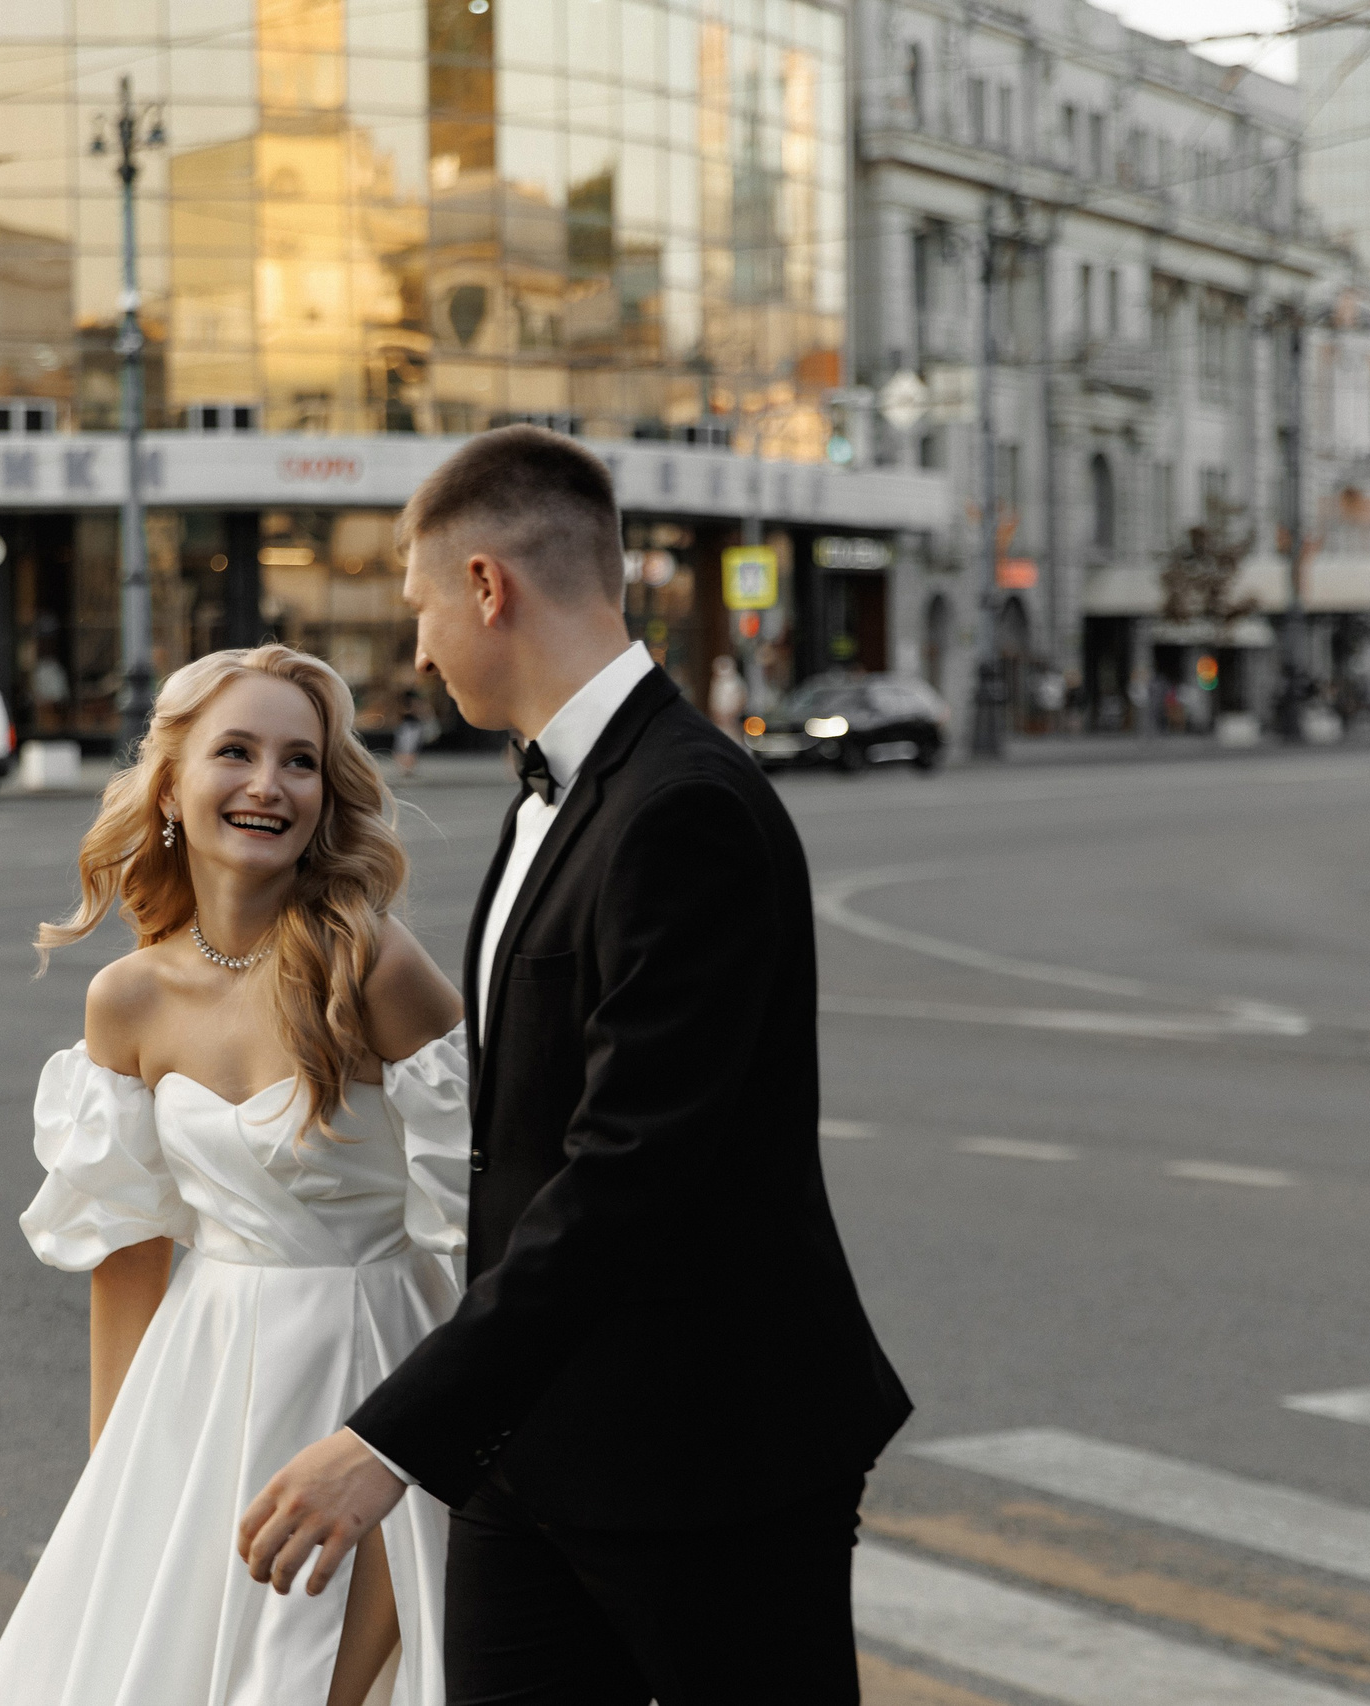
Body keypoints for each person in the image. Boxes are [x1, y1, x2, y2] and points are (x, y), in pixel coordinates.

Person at [237, 427, 912, 1702]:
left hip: (706, 1453)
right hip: (528, 1444)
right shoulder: (558, 788)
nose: (420, 649)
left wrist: (388, 1432)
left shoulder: (685, 808)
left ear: (487, 586)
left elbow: (628, 1176)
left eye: (424, 608)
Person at [0, 644, 468, 1706]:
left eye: (300, 761)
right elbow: (125, 1256)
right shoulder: (128, 999)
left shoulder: (376, 967)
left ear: (326, 795)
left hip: (375, 1362)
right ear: (169, 785)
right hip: (194, 1384)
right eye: (234, 751)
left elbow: (487, 1226)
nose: (266, 784)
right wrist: (118, 1485)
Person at [391, 689, 427, 780]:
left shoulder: (414, 705)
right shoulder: (404, 705)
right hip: (407, 726)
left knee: (410, 748)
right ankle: (405, 767)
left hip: (413, 726)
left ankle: (408, 768)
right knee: (405, 747)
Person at [707, 652, 748, 730]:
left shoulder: (736, 682)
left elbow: (741, 700)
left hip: (732, 720)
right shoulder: (716, 682)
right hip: (718, 720)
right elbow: (714, 700)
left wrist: (731, 714)